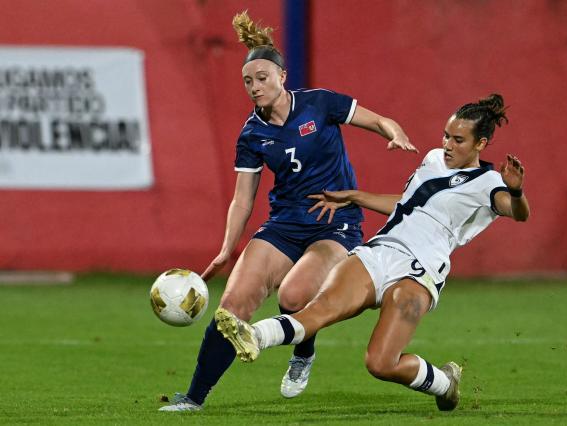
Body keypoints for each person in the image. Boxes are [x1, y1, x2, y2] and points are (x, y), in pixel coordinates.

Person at [159, 11, 417, 411]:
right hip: (284, 223)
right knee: (233, 307)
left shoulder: (319, 104)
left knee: (295, 296)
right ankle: (193, 398)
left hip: (335, 223)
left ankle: (303, 352)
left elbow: (378, 119)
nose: (255, 86)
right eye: (247, 81)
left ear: (282, 76)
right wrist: (227, 248)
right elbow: (243, 199)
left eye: (262, 77)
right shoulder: (252, 134)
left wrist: (394, 131)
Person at [214, 93, 530, 411]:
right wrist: (355, 196)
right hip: (379, 252)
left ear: (481, 143)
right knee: (318, 309)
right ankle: (254, 334)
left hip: (419, 272)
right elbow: (407, 206)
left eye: (458, 139)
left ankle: (445, 382)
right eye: (446, 135)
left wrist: (516, 192)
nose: (448, 144)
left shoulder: (490, 182)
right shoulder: (434, 159)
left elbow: (518, 213)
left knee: (380, 363)